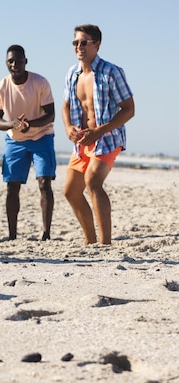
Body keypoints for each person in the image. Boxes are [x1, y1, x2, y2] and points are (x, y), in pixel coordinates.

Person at [62, 24, 135, 245]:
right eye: (75, 42)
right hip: (83, 141)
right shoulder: (72, 73)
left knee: (93, 181)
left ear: (97, 44)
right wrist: (68, 128)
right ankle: (90, 242)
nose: (79, 47)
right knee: (71, 192)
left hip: (107, 137)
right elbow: (65, 106)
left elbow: (129, 109)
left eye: (84, 42)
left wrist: (99, 131)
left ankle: (105, 243)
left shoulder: (111, 72)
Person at [0, 45, 56, 241]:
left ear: (25, 61)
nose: (14, 65)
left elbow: (50, 114)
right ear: (6, 64)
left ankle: (46, 234)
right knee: (12, 186)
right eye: (10, 61)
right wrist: (13, 124)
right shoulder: (1, 87)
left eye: (18, 61)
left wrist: (31, 125)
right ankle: (12, 235)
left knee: (44, 183)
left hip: (42, 136)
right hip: (15, 140)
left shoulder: (40, 82)